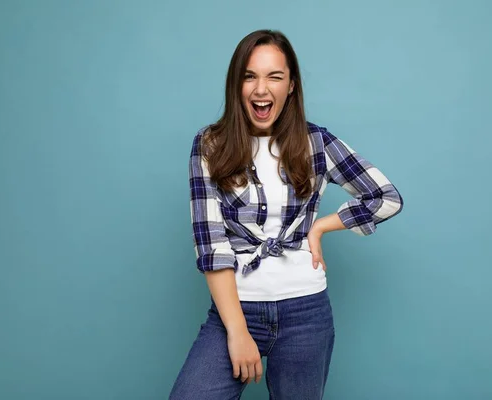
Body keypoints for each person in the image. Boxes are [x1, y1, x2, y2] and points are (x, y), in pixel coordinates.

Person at [168, 29, 403, 400]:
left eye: (274, 76)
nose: (262, 89)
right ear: (237, 85)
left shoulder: (317, 143)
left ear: (291, 85)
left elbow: (385, 197)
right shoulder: (209, 145)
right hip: (235, 309)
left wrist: (322, 227)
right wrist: (237, 330)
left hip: (306, 313)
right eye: (250, 76)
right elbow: (211, 246)